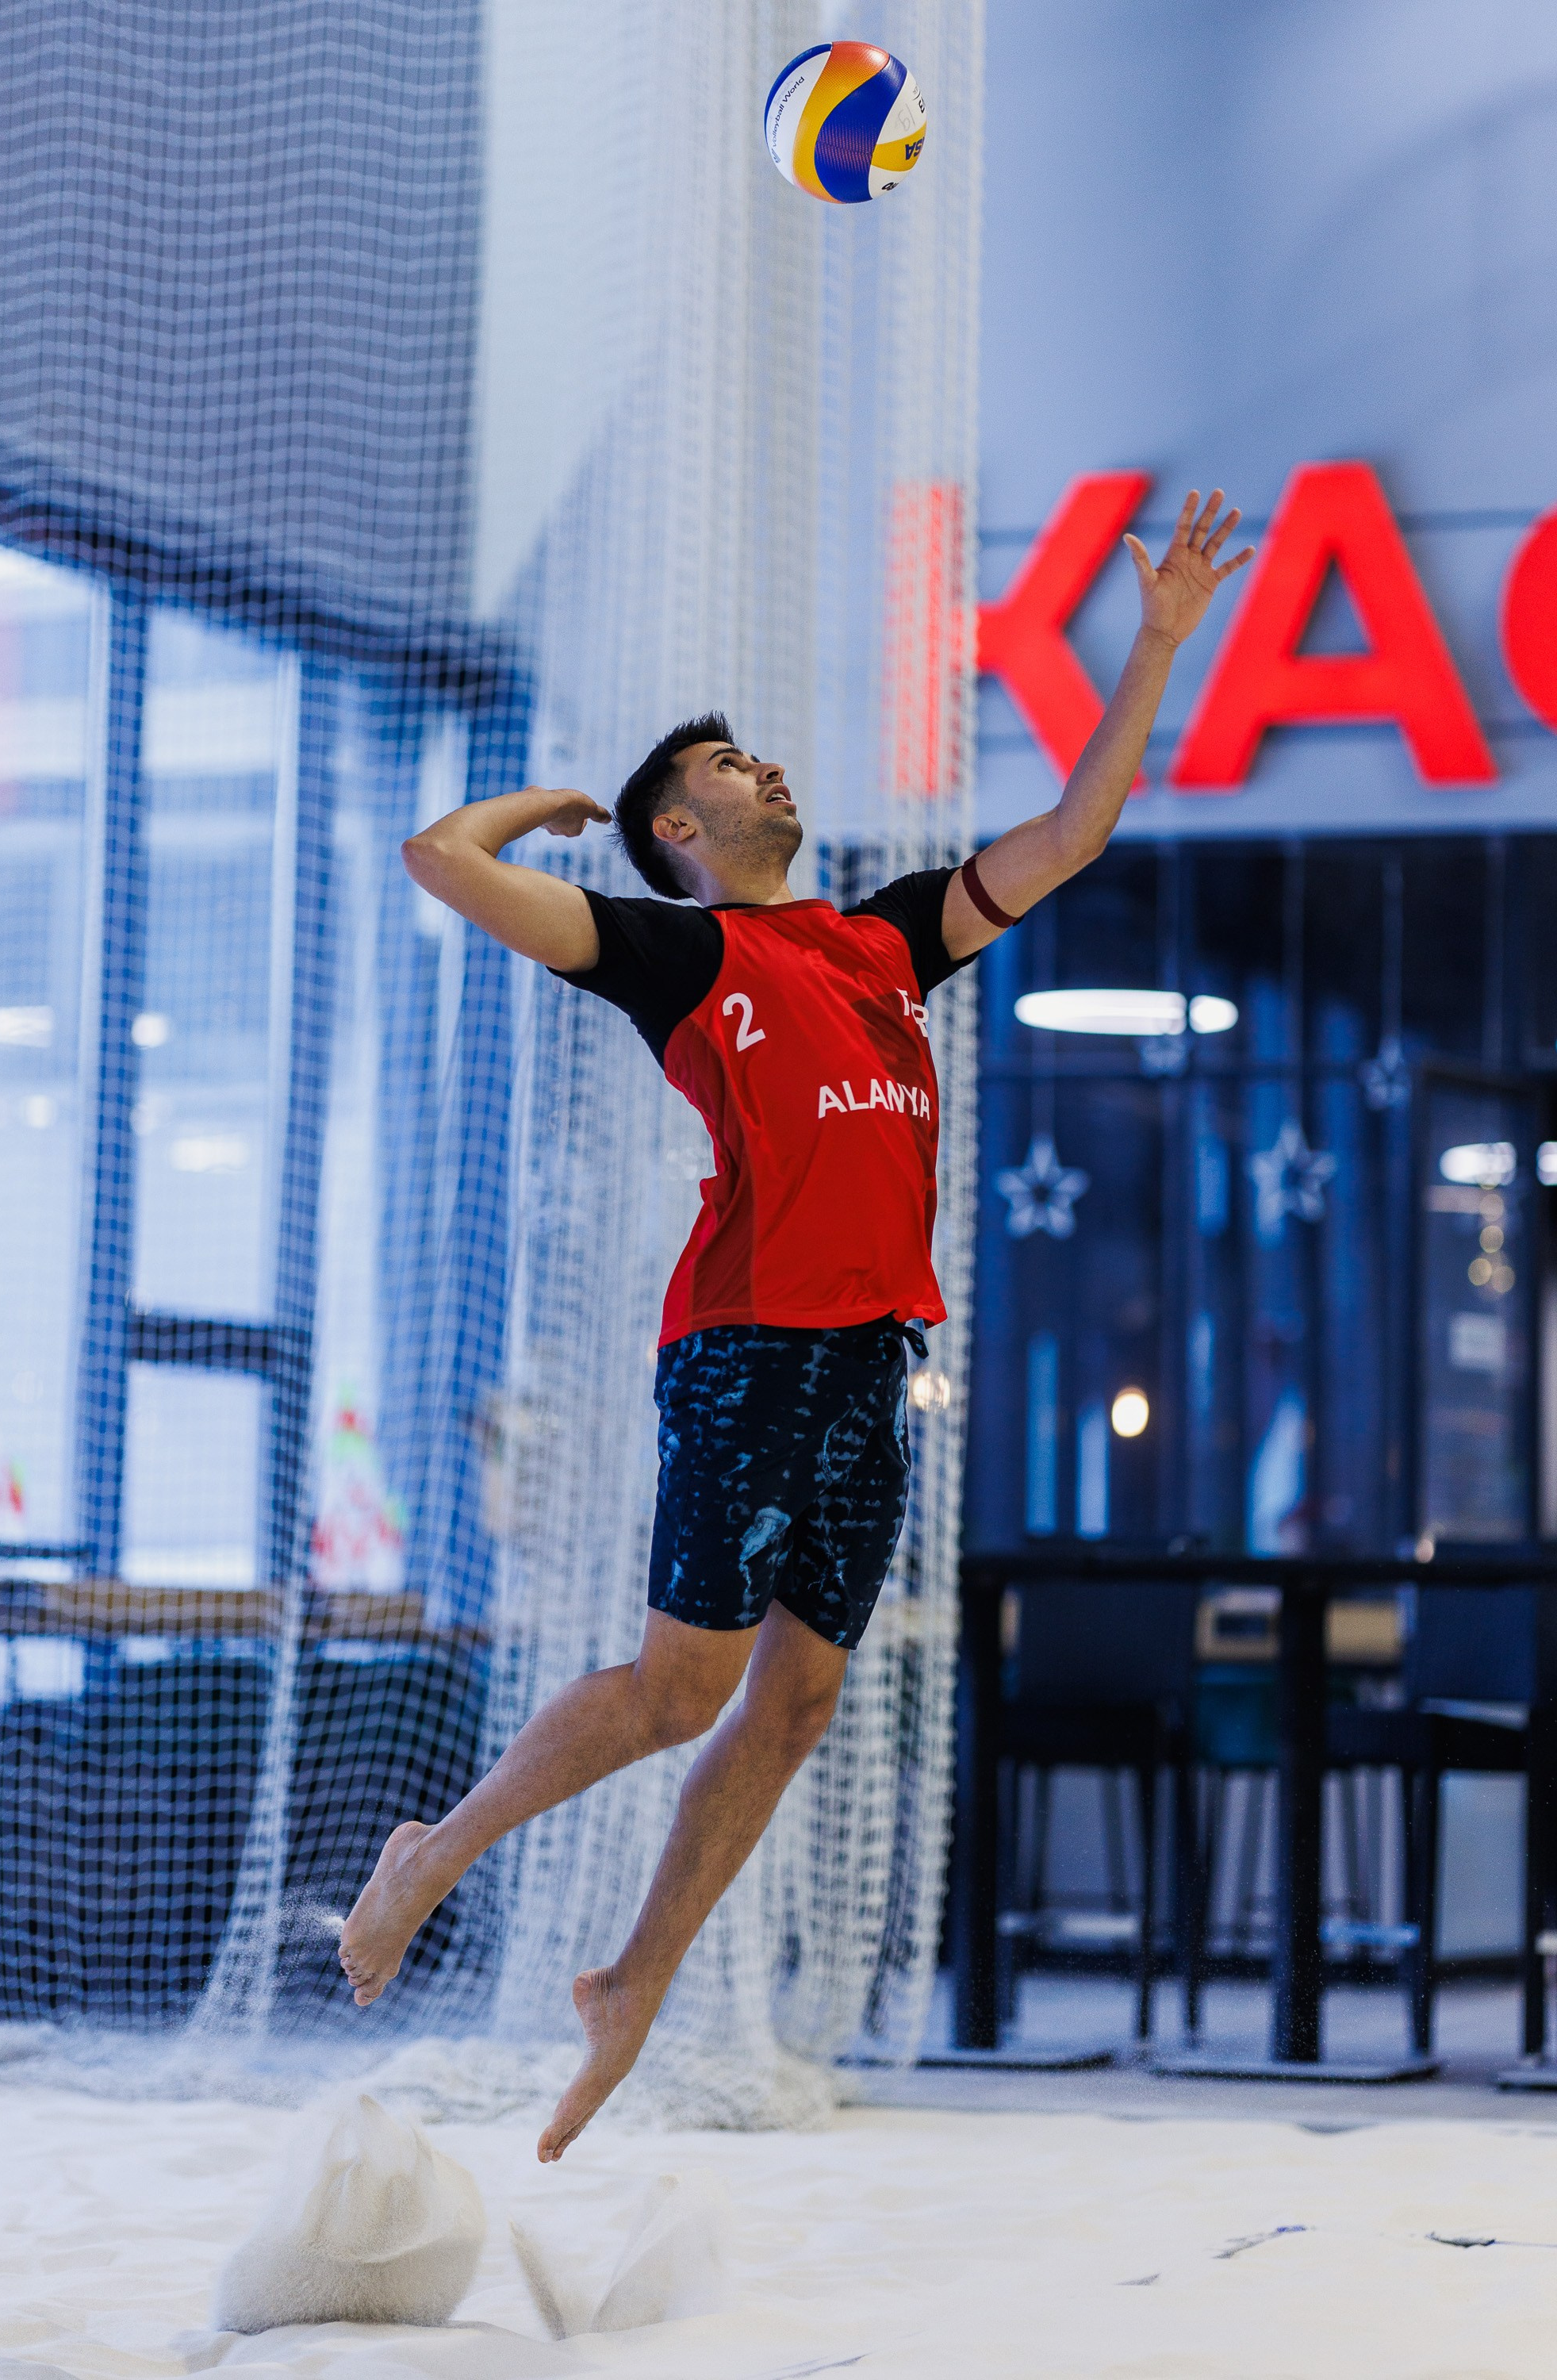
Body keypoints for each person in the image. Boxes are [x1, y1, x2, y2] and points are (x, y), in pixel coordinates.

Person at [337, 487, 1252, 2159]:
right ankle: (432, 1854)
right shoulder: (677, 955)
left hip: (869, 1364)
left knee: (803, 1697)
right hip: (751, 1347)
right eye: (725, 767)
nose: (765, 770)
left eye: (758, 755)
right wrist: (550, 805)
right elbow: (435, 864)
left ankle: (629, 1988)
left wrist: (1163, 641)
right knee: (679, 1691)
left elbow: (1072, 834)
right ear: (680, 831)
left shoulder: (882, 941)